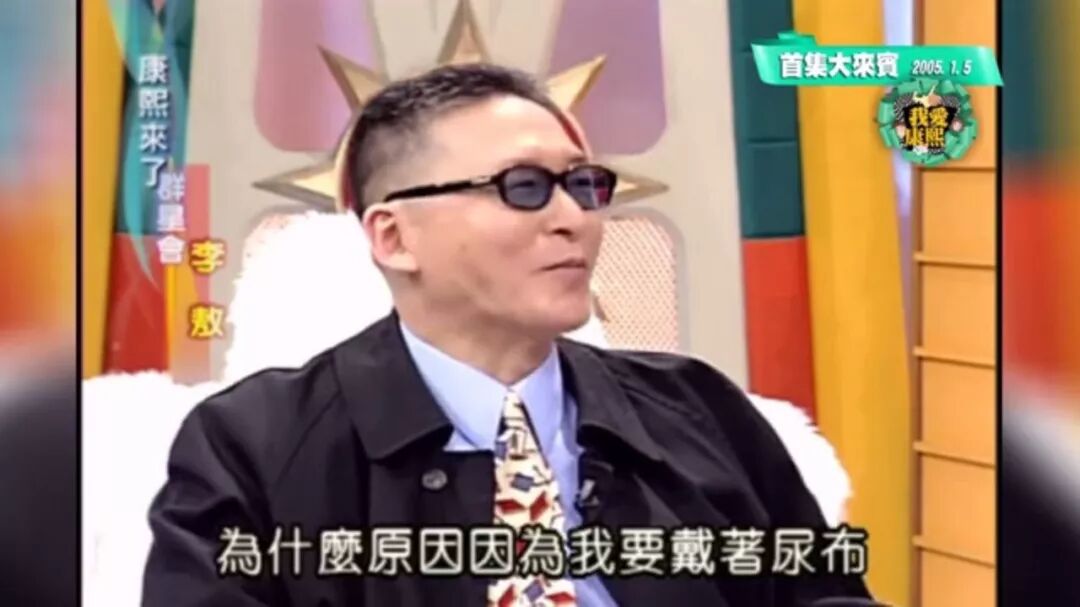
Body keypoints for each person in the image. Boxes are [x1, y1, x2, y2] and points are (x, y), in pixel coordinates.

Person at [143, 63, 877, 606]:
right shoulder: (252, 446)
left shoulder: (698, 408)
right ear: (394, 236)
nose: (574, 219)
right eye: (522, 187)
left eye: (584, 185)